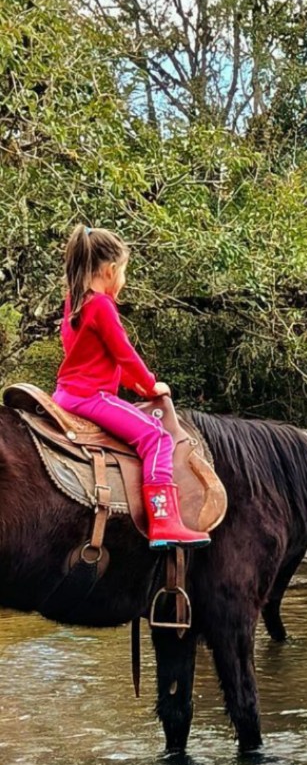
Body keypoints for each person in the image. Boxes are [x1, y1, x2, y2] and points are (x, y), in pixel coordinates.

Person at [52, 224, 210, 550]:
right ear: (110, 270)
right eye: (124, 272)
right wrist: (151, 386)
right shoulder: (102, 306)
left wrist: (137, 389)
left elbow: (102, 360)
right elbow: (125, 353)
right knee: (157, 437)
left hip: (66, 393)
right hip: (90, 397)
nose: (123, 280)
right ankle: (164, 521)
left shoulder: (75, 302)